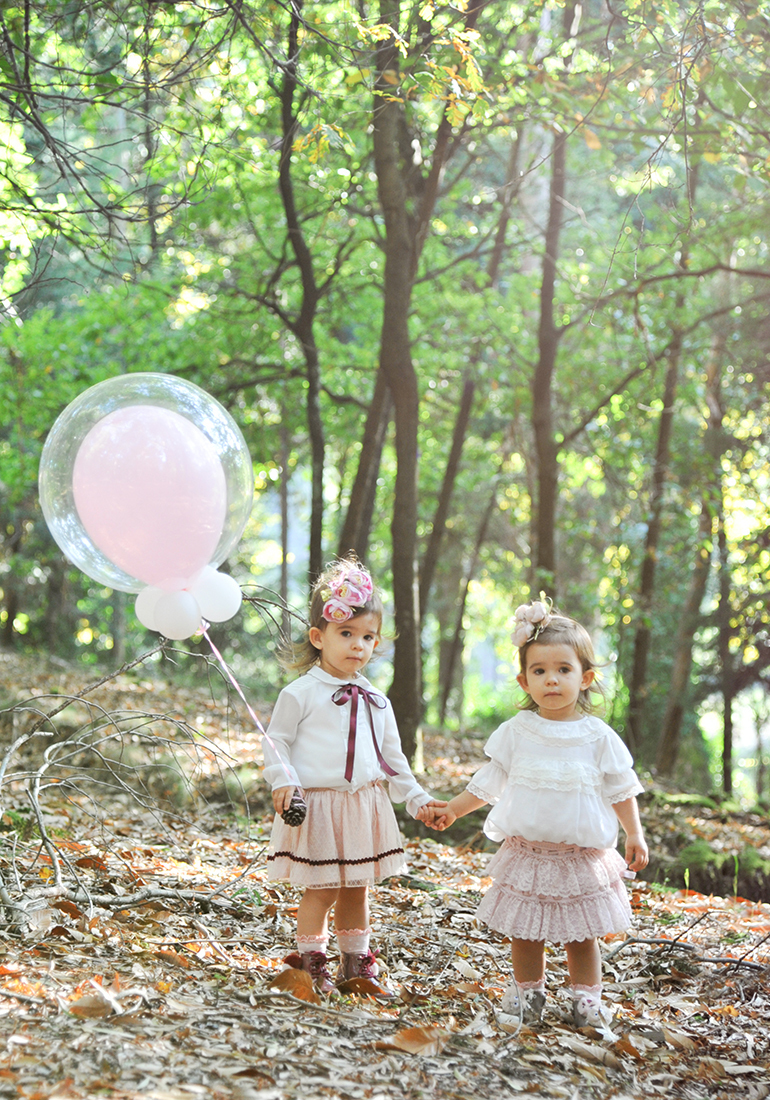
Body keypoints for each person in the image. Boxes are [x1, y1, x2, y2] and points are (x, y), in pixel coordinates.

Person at [424, 601, 649, 1029]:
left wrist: (634, 833)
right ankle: (529, 994)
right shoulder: (516, 732)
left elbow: (621, 789)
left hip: (581, 856)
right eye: (540, 671)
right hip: (528, 852)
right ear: (524, 680)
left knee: (581, 935)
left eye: (563, 670)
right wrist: (453, 809)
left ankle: (586, 1000)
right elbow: (490, 780)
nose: (551, 680)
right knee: (525, 931)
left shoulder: (597, 736)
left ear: (585, 678)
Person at [262, 557, 444, 999]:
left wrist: (417, 800)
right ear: (318, 637)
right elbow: (276, 742)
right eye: (346, 634)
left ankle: (355, 964)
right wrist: (283, 781)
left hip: (364, 804)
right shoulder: (300, 692)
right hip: (320, 804)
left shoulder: (377, 699)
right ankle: (312, 964)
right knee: (322, 889)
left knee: (356, 891)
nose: (357, 645)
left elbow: (393, 759)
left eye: (367, 637)